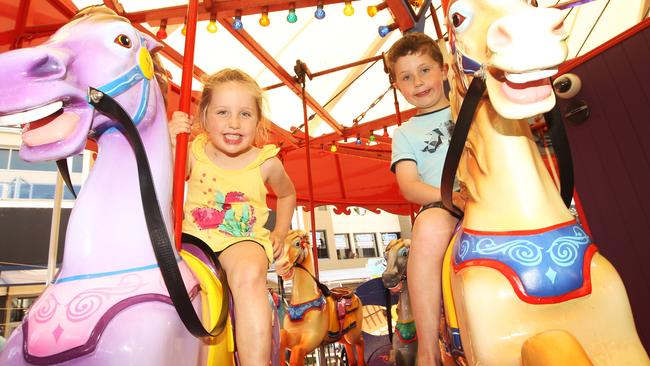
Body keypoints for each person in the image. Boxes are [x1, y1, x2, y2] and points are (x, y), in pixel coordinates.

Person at [169, 68, 296, 365]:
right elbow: (168, 178)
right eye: (223, 112)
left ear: (258, 121)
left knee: (248, 275)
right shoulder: (193, 150)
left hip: (242, 239)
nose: (234, 124)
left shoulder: (266, 163)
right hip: (193, 240)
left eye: (245, 114)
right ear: (203, 117)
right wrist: (172, 140)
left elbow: (288, 193)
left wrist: (279, 232)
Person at [387, 32, 466, 365]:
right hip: (443, 205)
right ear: (397, 86)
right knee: (428, 229)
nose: (417, 82)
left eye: (424, 70)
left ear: (444, 69)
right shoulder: (405, 133)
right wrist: (452, 196)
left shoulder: (466, 109)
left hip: (490, 194)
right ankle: (428, 350)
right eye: (406, 77)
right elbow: (409, 185)